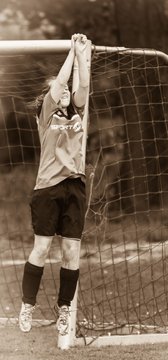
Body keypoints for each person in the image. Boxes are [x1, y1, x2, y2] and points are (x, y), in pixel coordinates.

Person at [18, 33, 90, 336]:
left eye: (65, 92)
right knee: (43, 248)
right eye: (56, 91)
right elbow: (61, 84)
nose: (63, 92)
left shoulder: (78, 113)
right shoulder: (46, 115)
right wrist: (73, 53)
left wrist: (83, 56)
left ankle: (64, 309)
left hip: (75, 187)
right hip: (48, 188)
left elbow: (81, 86)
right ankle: (28, 306)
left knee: (71, 253)